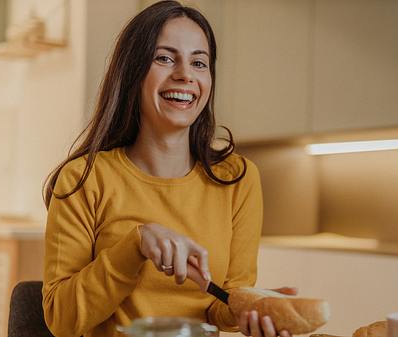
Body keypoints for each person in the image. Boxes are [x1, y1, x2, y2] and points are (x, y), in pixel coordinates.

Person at [41, 1, 296, 337]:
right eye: (164, 58)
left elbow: (223, 302)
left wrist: (250, 308)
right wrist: (135, 246)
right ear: (133, 72)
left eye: (199, 62)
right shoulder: (83, 179)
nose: (185, 74)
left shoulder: (239, 178)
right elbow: (61, 319)